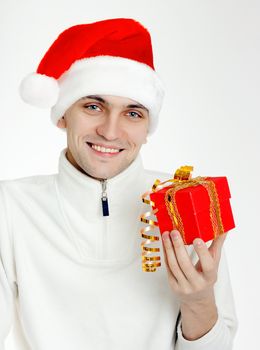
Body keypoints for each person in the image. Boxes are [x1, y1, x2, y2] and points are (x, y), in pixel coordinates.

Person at [0, 18, 237, 350]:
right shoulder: (10, 207)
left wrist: (198, 300)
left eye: (133, 113)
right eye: (93, 106)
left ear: (147, 127)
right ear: (63, 113)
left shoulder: (185, 202)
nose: (110, 132)